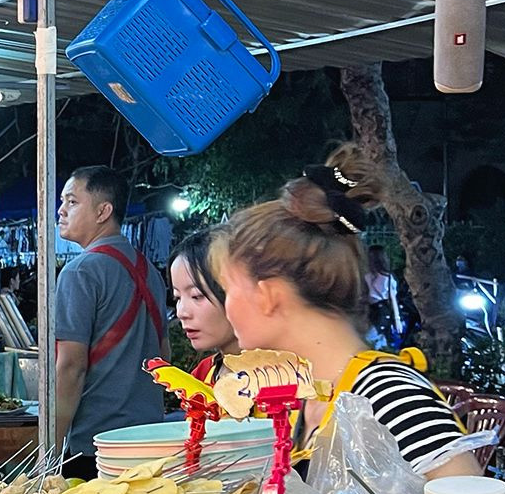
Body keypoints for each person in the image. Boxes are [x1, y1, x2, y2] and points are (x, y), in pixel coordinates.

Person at [212, 149, 481, 477]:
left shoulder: (389, 397)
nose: (226, 307)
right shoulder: (304, 400)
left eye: (228, 288)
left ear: (268, 295)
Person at [51, 167, 168, 470]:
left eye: (72, 202)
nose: (61, 210)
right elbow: (163, 355)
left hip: (95, 445)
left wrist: (51, 446)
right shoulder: (150, 271)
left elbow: (71, 366)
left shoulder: (80, 271)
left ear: (103, 211)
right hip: (150, 439)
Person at [170, 228, 236, 384]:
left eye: (197, 296)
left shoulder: (289, 377)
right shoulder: (201, 375)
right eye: (177, 298)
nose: (181, 313)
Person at [365, 243, 404, 348]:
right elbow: (393, 299)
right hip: (384, 310)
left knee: (372, 336)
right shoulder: (388, 277)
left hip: (370, 310)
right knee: (381, 336)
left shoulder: (366, 277)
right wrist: (397, 319)